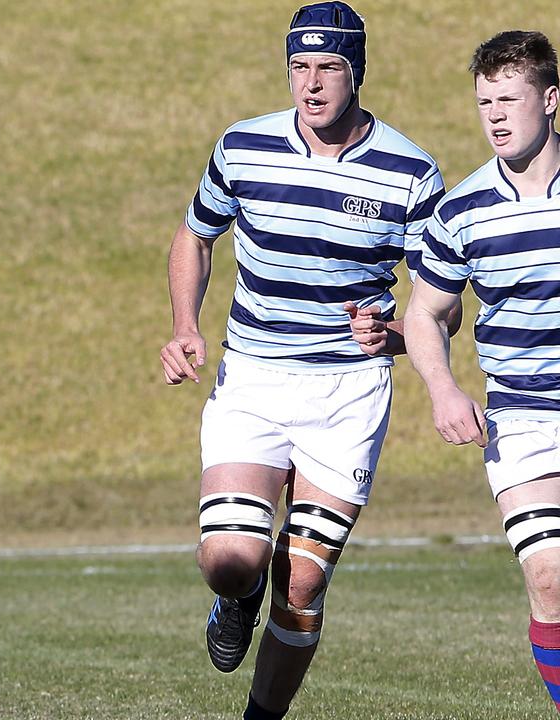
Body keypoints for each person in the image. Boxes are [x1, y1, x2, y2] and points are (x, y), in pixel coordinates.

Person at [159, 3, 455, 718]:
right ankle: (236, 599)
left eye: (328, 67)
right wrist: (183, 324)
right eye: (300, 66)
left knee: (304, 583)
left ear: (357, 71)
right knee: (230, 562)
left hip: (348, 393)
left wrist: (395, 336)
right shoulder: (243, 147)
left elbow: (441, 301)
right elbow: (195, 236)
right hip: (254, 377)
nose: (311, 84)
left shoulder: (410, 172)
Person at [405, 30, 560, 715]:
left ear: (550, 100)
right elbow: (425, 314)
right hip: (522, 417)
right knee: (551, 575)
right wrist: (442, 387)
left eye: (509, 99)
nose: (494, 115)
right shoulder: (460, 212)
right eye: (483, 102)